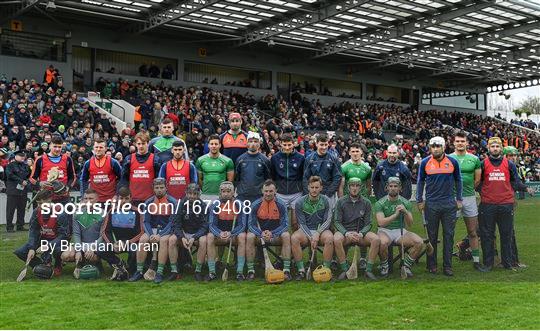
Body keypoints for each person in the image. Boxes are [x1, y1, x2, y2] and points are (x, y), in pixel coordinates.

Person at [478, 137, 534, 271]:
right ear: (488, 148)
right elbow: (477, 183)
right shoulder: (482, 164)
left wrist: (526, 188)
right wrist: (486, 192)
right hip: (488, 205)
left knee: (506, 234)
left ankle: (507, 263)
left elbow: (515, 182)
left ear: (501, 149)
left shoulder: (509, 165)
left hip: (506, 205)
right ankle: (488, 264)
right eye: (493, 146)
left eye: (497, 146)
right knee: (487, 236)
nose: (495, 148)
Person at [417, 136, 463, 276]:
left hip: (449, 204)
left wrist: (459, 199)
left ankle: (447, 266)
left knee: (448, 235)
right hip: (431, 204)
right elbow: (420, 182)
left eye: (438, 146)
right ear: (430, 148)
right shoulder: (425, 162)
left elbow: (458, 181)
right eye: (433, 146)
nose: (435, 149)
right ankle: (431, 265)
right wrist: (420, 200)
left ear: (444, 147)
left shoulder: (453, 161)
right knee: (431, 236)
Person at [448, 132, 486, 272]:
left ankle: (476, 261)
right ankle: (447, 263)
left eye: (462, 141)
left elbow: (477, 180)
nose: (460, 143)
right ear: (453, 143)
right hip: (452, 199)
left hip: (469, 198)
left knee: (472, 231)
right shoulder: (448, 158)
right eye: (457, 141)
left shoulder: (474, 159)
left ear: (466, 143)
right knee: (449, 231)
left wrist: (468, 191)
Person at [129, 178, 176, 283]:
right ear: (153, 189)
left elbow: (172, 222)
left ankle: (159, 272)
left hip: (166, 231)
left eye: (161, 188)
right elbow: (146, 222)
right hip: (152, 230)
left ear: (166, 188)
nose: (159, 190)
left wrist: (160, 235)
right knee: (142, 240)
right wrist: (150, 234)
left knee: (163, 241)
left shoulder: (172, 202)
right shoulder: (149, 202)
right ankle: (139, 271)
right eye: (157, 188)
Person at [375, 177, 424, 278]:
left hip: (400, 231)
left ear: (400, 188)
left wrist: (405, 212)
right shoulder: (380, 203)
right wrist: (395, 215)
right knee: (382, 243)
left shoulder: (405, 203)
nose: (393, 188)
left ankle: (406, 266)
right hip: (384, 231)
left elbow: (410, 223)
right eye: (391, 186)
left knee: (419, 242)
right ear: (387, 188)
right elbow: (381, 223)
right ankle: (385, 266)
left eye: (395, 186)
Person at [13, 190, 68, 276]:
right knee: (21, 252)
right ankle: (42, 265)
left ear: (50, 201)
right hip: (43, 239)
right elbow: (33, 230)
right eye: (38, 203)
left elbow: (64, 235)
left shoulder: (61, 213)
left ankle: (58, 264)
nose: (39, 206)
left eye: (41, 203)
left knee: (58, 251)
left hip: (57, 241)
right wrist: (32, 247)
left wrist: (48, 245)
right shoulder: (36, 212)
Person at [333, 178, 379, 280]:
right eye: (352, 186)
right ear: (348, 187)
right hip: (346, 233)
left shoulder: (366, 202)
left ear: (361, 187)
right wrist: (346, 233)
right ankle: (345, 270)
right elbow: (337, 221)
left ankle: (369, 270)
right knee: (336, 239)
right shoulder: (341, 202)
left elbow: (369, 223)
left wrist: (361, 233)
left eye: (357, 186)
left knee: (376, 239)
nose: (354, 188)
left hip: (361, 234)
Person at [246, 180, 292, 281]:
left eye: (271, 191)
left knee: (286, 236)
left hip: (275, 235)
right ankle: (250, 271)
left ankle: (286, 270)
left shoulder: (281, 204)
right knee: (249, 236)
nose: (268, 193)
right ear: (262, 191)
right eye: (266, 191)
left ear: (275, 191)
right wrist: (260, 233)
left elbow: (285, 225)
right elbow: (251, 225)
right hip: (260, 235)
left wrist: (273, 233)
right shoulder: (255, 204)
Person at [291, 176, 333, 280]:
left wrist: (317, 233)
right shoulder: (300, 202)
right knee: (294, 238)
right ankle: (301, 271)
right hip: (306, 230)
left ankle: (326, 270)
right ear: (308, 187)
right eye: (312, 187)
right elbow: (302, 223)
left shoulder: (326, 200)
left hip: (321, 230)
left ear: (321, 188)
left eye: (317, 187)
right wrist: (311, 236)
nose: (314, 190)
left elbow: (327, 221)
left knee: (329, 238)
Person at [206, 181, 247, 281]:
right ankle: (212, 272)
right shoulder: (215, 204)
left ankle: (239, 272)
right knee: (210, 236)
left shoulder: (239, 204)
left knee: (242, 236)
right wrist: (219, 233)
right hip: (219, 234)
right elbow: (211, 224)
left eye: (228, 191)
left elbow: (243, 225)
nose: (225, 193)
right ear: (220, 192)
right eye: (223, 191)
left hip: (234, 233)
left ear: (233, 192)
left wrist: (231, 233)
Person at [100, 186, 144, 276]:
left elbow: (141, 232)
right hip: (116, 243)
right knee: (99, 249)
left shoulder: (137, 212)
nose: (124, 201)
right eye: (121, 198)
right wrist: (112, 243)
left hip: (131, 243)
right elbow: (105, 231)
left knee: (135, 250)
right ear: (117, 199)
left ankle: (130, 270)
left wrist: (127, 243)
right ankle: (119, 263)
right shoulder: (112, 211)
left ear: (131, 198)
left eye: (126, 198)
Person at [169, 183, 209, 281]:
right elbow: (176, 224)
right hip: (183, 233)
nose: (192, 196)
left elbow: (205, 226)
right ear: (186, 193)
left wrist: (194, 237)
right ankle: (174, 271)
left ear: (198, 195)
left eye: (195, 194)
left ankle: (198, 271)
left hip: (197, 234)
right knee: (172, 240)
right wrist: (182, 237)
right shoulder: (180, 204)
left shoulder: (203, 205)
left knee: (204, 241)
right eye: (190, 193)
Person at [270, 133, 304, 230]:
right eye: (285, 145)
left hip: (296, 193)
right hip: (280, 193)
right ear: (280, 144)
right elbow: (272, 176)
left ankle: (295, 244)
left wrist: (302, 190)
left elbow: (303, 176)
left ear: (293, 144)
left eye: (289, 145)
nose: (287, 147)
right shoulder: (275, 158)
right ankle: (282, 243)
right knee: (280, 222)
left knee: (295, 223)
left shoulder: (301, 158)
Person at [30, 134, 76, 203]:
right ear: (50, 146)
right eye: (55, 146)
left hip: (63, 197)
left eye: (59, 147)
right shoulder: (40, 159)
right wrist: (39, 183)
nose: (57, 149)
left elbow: (73, 177)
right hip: (45, 198)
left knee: (65, 214)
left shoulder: (68, 159)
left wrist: (68, 187)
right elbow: (32, 178)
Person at [120, 132, 161, 206]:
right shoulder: (129, 159)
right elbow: (124, 180)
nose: (141, 146)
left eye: (143, 143)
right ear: (135, 144)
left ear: (148, 144)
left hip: (150, 200)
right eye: (139, 144)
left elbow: (158, 180)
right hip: (133, 199)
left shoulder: (155, 159)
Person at [302, 134, 342, 210]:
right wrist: (308, 193)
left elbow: (337, 177)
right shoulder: (309, 159)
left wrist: (328, 193)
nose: (324, 147)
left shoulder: (334, 159)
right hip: (313, 193)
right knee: (313, 218)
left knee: (329, 219)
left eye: (326, 144)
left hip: (328, 195)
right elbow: (305, 178)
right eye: (321, 145)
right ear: (316, 144)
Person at [235, 132, 271, 203]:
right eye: (250, 141)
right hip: (242, 195)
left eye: (255, 141)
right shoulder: (240, 159)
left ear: (259, 143)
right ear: (247, 143)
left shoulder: (265, 160)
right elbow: (237, 178)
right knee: (242, 214)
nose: (253, 144)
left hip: (259, 196)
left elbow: (268, 179)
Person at [196, 134, 234, 202]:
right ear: (208, 145)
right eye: (212, 144)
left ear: (220, 145)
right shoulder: (200, 160)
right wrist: (204, 189)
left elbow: (229, 182)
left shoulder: (228, 161)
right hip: (205, 194)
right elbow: (199, 179)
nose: (214, 146)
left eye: (216, 144)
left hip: (221, 196)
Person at [5, 150, 31, 232]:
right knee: (10, 210)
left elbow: (29, 175)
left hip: (23, 190)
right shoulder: (10, 165)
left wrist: (26, 181)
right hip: (13, 190)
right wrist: (21, 181)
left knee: (21, 209)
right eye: (20, 155)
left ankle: (20, 225)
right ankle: (9, 227)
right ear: (15, 156)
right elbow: (9, 175)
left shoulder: (25, 166)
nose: (22, 157)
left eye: (23, 156)